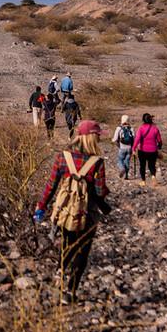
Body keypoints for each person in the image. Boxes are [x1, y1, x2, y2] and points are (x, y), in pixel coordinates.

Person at [33, 120, 111, 303]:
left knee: (67, 245)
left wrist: (41, 206)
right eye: (98, 136)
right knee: (82, 252)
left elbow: (51, 185)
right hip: (88, 214)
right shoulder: (97, 162)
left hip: (66, 211)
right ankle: (71, 291)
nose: (99, 139)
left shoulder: (63, 157)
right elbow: (100, 192)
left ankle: (59, 276)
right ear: (91, 137)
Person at [132, 113, 162, 187]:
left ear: (143, 120)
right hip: (153, 150)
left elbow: (137, 139)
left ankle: (143, 181)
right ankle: (153, 176)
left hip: (142, 150)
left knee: (142, 166)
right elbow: (159, 141)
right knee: (152, 165)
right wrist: (158, 148)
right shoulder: (155, 128)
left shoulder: (141, 128)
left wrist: (133, 148)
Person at [112, 115, 134, 179]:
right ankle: (126, 176)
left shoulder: (119, 128)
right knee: (127, 161)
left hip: (122, 147)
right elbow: (134, 139)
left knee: (120, 160)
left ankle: (122, 169)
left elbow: (115, 139)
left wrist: (117, 144)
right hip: (129, 148)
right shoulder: (131, 129)